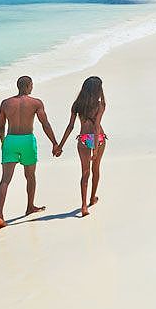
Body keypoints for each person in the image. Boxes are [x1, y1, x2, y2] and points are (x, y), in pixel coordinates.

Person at [0, 76, 58, 229]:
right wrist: (55, 143)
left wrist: (3, 142)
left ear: (18, 86)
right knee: (30, 176)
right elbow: (45, 124)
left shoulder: (6, 103)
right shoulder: (36, 103)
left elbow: (0, 127)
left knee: (5, 179)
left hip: (11, 140)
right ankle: (30, 206)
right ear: (29, 86)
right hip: (27, 141)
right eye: (31, 85)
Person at [54, 75, 109, 216]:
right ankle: (92, 197)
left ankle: (84, 206)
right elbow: (96, 127)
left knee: (85, 172)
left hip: (84, 138)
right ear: (98, 90)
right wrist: (95, 148)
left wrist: (60, 146)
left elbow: (70, 126)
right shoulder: (100, 105)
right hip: (99, 138)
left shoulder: (77, 104)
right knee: (95, 169)